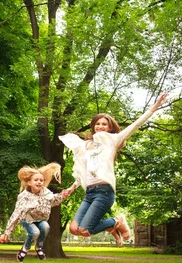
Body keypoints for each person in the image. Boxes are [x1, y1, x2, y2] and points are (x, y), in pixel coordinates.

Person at [59, 92, 168, 246]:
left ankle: (117, 221)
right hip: (89, 192)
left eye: (104, 124)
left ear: (110, 127)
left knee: (84, 230)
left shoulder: (113, 141)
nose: (100, 126)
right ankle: (114, 225)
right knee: (73, 229)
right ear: (93, 126)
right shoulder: (86, 145)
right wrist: (72, 187)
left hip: (104, 191)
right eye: (97, 124)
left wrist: (154, 107)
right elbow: (84, 170)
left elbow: (136, 125)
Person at [0, 163, 77, 262]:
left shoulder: (46, 193)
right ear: (29, 183)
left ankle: (39, 247)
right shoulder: (24, 197)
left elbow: (55, 200)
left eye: (41, 180)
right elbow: (16, 214)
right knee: (35, 232)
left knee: (46, 227)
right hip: (27, 219)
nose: (39, 182)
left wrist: (64, 194)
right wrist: (7, 233)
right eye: (36, 180)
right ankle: (24, 249)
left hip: (40, 219)